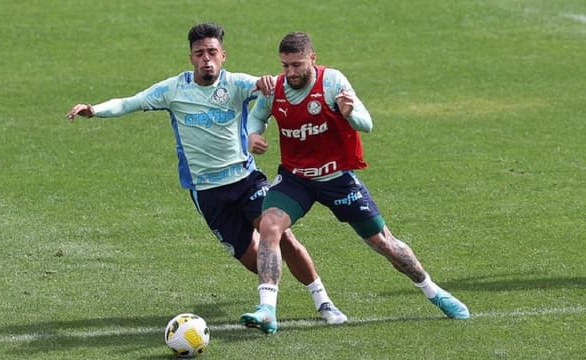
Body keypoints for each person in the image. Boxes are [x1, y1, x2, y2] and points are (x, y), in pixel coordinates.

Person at [65, 23, 347, 325]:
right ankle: (272, 296)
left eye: (212, 52)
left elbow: (281, 88)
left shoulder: (238, 84)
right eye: (199, 53)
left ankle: (323, 303)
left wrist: (274, 85)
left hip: (245, 180)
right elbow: (128, 102)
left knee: (280, 237)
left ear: (223, 55)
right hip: (207, 193)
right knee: (256, 260)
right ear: (191, 58)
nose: (206, 59)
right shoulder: (173, 90)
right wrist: (93, 109)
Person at [240, 31, 470, 334]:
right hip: (296, 179)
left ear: (313, 58)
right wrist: (253, 135)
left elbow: (367, 122)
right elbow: (256, 118)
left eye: (296, 65)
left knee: (383, 243)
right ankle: (267, 309)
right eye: (285, 66)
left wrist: (349, 115)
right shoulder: (275, 89)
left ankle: (433, 291)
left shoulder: (332, 82)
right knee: (269, 226)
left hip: (337, 179)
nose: (290, 73)